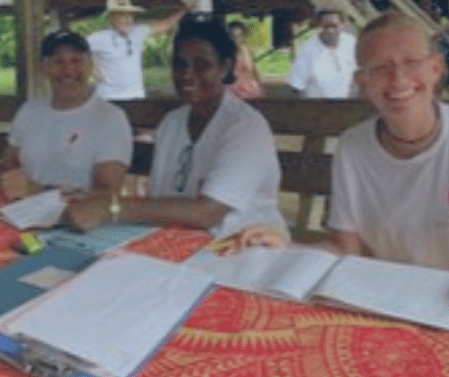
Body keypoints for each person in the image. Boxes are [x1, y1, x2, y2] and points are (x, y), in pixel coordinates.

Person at [235, 12, 449, 302]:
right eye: (379, 68)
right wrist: (286, 249)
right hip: (389, 303)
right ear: (362, 82)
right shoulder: (352, 147)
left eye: (412, 62)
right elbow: (347, 247)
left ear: (435, 68)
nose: (398, 79)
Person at [66, 14, 288, 241]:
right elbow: (161, 199)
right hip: (178, 242)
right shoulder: (172, 123)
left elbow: (210, 212)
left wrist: (110, 207)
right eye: (180, 65)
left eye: (201, 65)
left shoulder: (245, 127)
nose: (187, 75)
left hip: (242, 244)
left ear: (225, 67)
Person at [0, 30, 133, 195]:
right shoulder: (29, 111)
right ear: (44, 68)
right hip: (21, 213)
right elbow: (8, 168)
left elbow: (107, 194)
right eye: (58, 61)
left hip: (78, 222)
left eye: (76, 60)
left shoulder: (109, 118)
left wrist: (39, 191)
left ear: (90, 65)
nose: (68, 70)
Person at [86, 0, 194, 100]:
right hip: (109, 99)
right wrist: (91, 71)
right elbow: (77, 52)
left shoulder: (137, 33)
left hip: (136, 98)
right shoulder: (97, 38)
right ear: (112, 17)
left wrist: (183, 9)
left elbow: (165, 25)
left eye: (130, 14)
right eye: (122, 14)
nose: (127, 19)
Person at [287, 9, 356, 98]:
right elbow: (296, 85)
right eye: (326, 26)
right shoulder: (308, 50)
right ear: (320, 26)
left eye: (334, 26)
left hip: (348, 106)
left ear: (342, 25)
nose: (330, 30)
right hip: (319, 108)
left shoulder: (352, 43)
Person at [227, 21, 263, 99]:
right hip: (233, 90)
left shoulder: (246, 50)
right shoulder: (226, 53)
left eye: (239, 36)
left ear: (243, 36)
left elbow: (252, 70)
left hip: (249, 89)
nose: (236, 39)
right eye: (233, 36)